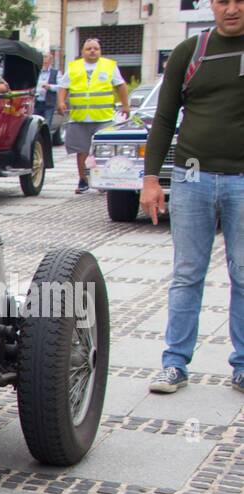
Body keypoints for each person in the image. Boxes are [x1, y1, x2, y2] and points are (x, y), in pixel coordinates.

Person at [143, 0, 244, 395]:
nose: (231, 8)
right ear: (212, 6)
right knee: (187, 275)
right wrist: (151, 178)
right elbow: (165, 118)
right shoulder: (192, 52)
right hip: (191, 178)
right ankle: (175, 364)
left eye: (238, 0)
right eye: (223, 1)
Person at [59, 38, 129, 194]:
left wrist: (125, 105)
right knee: (81, 150)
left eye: (95, 48)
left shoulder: (109, 66)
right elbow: (64, 86)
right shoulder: (74, 67)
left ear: (100, 51)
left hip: (103, 117)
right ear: (83, 51)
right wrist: (61, 102)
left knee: (105, 150)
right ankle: (83, 180)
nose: (92, 51)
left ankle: (103, 179)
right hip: (79, 117)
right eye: (89, 48)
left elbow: (121, 86)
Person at [34, 51, 60, 131]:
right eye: (43, 58)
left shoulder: (56, 72)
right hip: (36, 103)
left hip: (48, 103)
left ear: (50, 60)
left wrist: (50, 87)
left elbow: (61, 87)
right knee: (34, 125)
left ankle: (46, 142)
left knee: (46, 125)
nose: (44, 60)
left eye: (46, 57)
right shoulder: (36, 71)